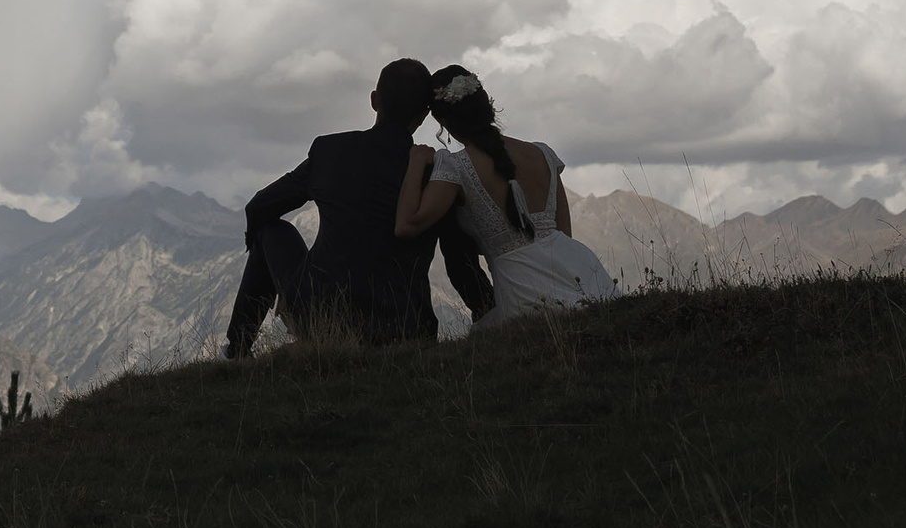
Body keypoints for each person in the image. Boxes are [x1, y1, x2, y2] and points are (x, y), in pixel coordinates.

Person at [225, 59, 495, 357]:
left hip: (321, 317)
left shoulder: (330, 151)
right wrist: (489, 313)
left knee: (269, 228)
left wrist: (255, 242)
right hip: (406, 327)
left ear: (374, 100)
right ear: (423, 115)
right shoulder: (436, 172)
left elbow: (259, 207)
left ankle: (237, 350)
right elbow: (460, 265)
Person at [393, 64, 619, 323]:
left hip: (521, 285)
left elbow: (406, 225)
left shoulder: (454, 166)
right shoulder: (543, 154)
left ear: (443, 123)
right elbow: (562, 234)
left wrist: (416, 162)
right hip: (583, 271)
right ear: (485, 105)